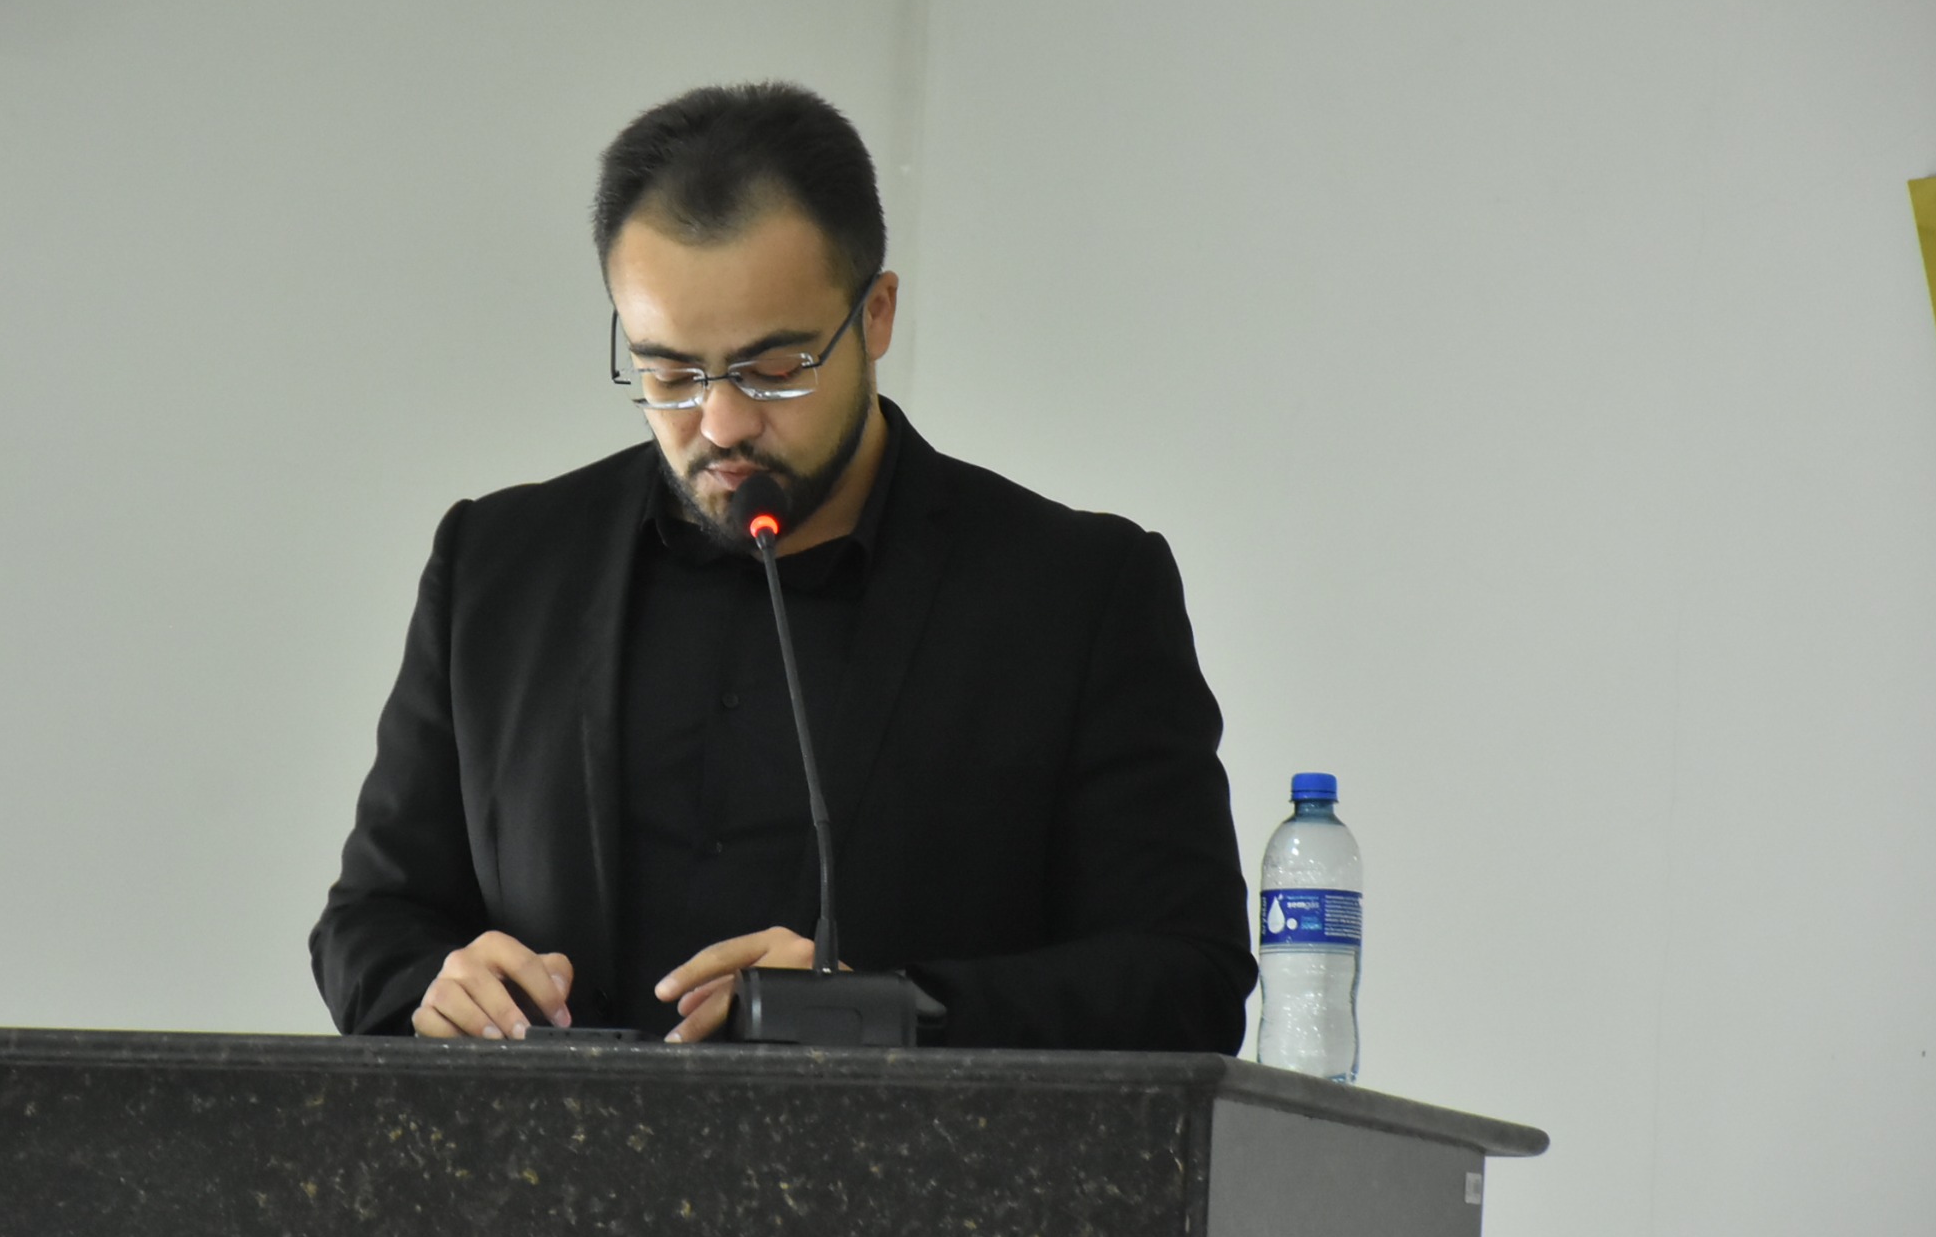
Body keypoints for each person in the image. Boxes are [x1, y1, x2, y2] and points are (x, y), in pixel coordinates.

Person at [309, 83, 1254, 1047]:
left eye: (774, 370)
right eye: (670, 374)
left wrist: (890, 1007)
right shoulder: (497, 567)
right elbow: (370, 921)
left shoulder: (1077, 594)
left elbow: (1189, 979)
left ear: (876, 315)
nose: (721, 423)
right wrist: (435, 983)